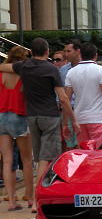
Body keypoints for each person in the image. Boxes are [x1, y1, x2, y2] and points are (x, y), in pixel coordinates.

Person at [0, 38, 78, 190]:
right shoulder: (51, 69)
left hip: (31, 117)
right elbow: (63, 98)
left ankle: (33, 194)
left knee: (37, 157)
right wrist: (73, 120)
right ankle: (39, 194)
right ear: (47, 51)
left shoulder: (24, 66)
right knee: (46, 158)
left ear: (31, 52)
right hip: (49, 116)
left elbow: (4, 67)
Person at [64, 42, 102, 147]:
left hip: (80, 119)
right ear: (95, 55)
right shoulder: (100, 70)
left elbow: (66, 99)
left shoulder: (71, 72)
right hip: (97, 118)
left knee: (85, 154)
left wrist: (65, 123)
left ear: (80, 54)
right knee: (99, 154)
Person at [0, 47, 34, 210]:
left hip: (2, 116)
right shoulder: (24, 74)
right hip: (19, 114)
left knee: (7, 160)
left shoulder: (1, 73)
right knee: (27, 160)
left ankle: (12, 202)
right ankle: (30, 199)